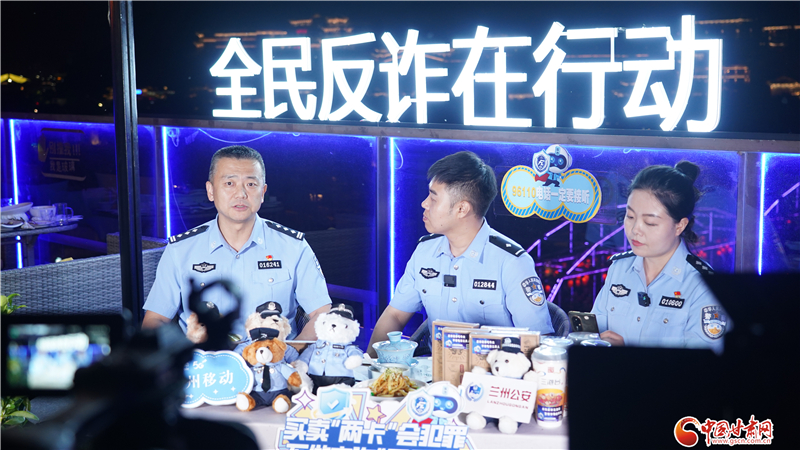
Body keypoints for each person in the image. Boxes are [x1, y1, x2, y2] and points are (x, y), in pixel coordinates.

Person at [368, 151, 554, 355]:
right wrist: (368, 364)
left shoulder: (512, 262)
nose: (424, 204)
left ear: (462, 209)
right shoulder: (424, 252)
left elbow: (540, 342)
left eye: (433, 198)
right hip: (433, 370)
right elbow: (394, 315)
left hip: (496, 372)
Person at [142, 145, 331, 343]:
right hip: (204, 360)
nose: (240, 194)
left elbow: (322, 313)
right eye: (229, 183)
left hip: (275, 359)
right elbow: (156, 319)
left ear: (263, 192)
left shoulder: (294, 247)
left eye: (251, 184)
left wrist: (293, 352)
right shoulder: (180, 251)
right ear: (210, 191)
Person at [591, 161, 728, 352]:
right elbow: (593, 335)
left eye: (650, 222)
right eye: (630, 217)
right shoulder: (619, 268)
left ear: (680, 226)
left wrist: (626, 358)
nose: (635, 229)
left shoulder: (704, 286)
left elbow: (703, 366)